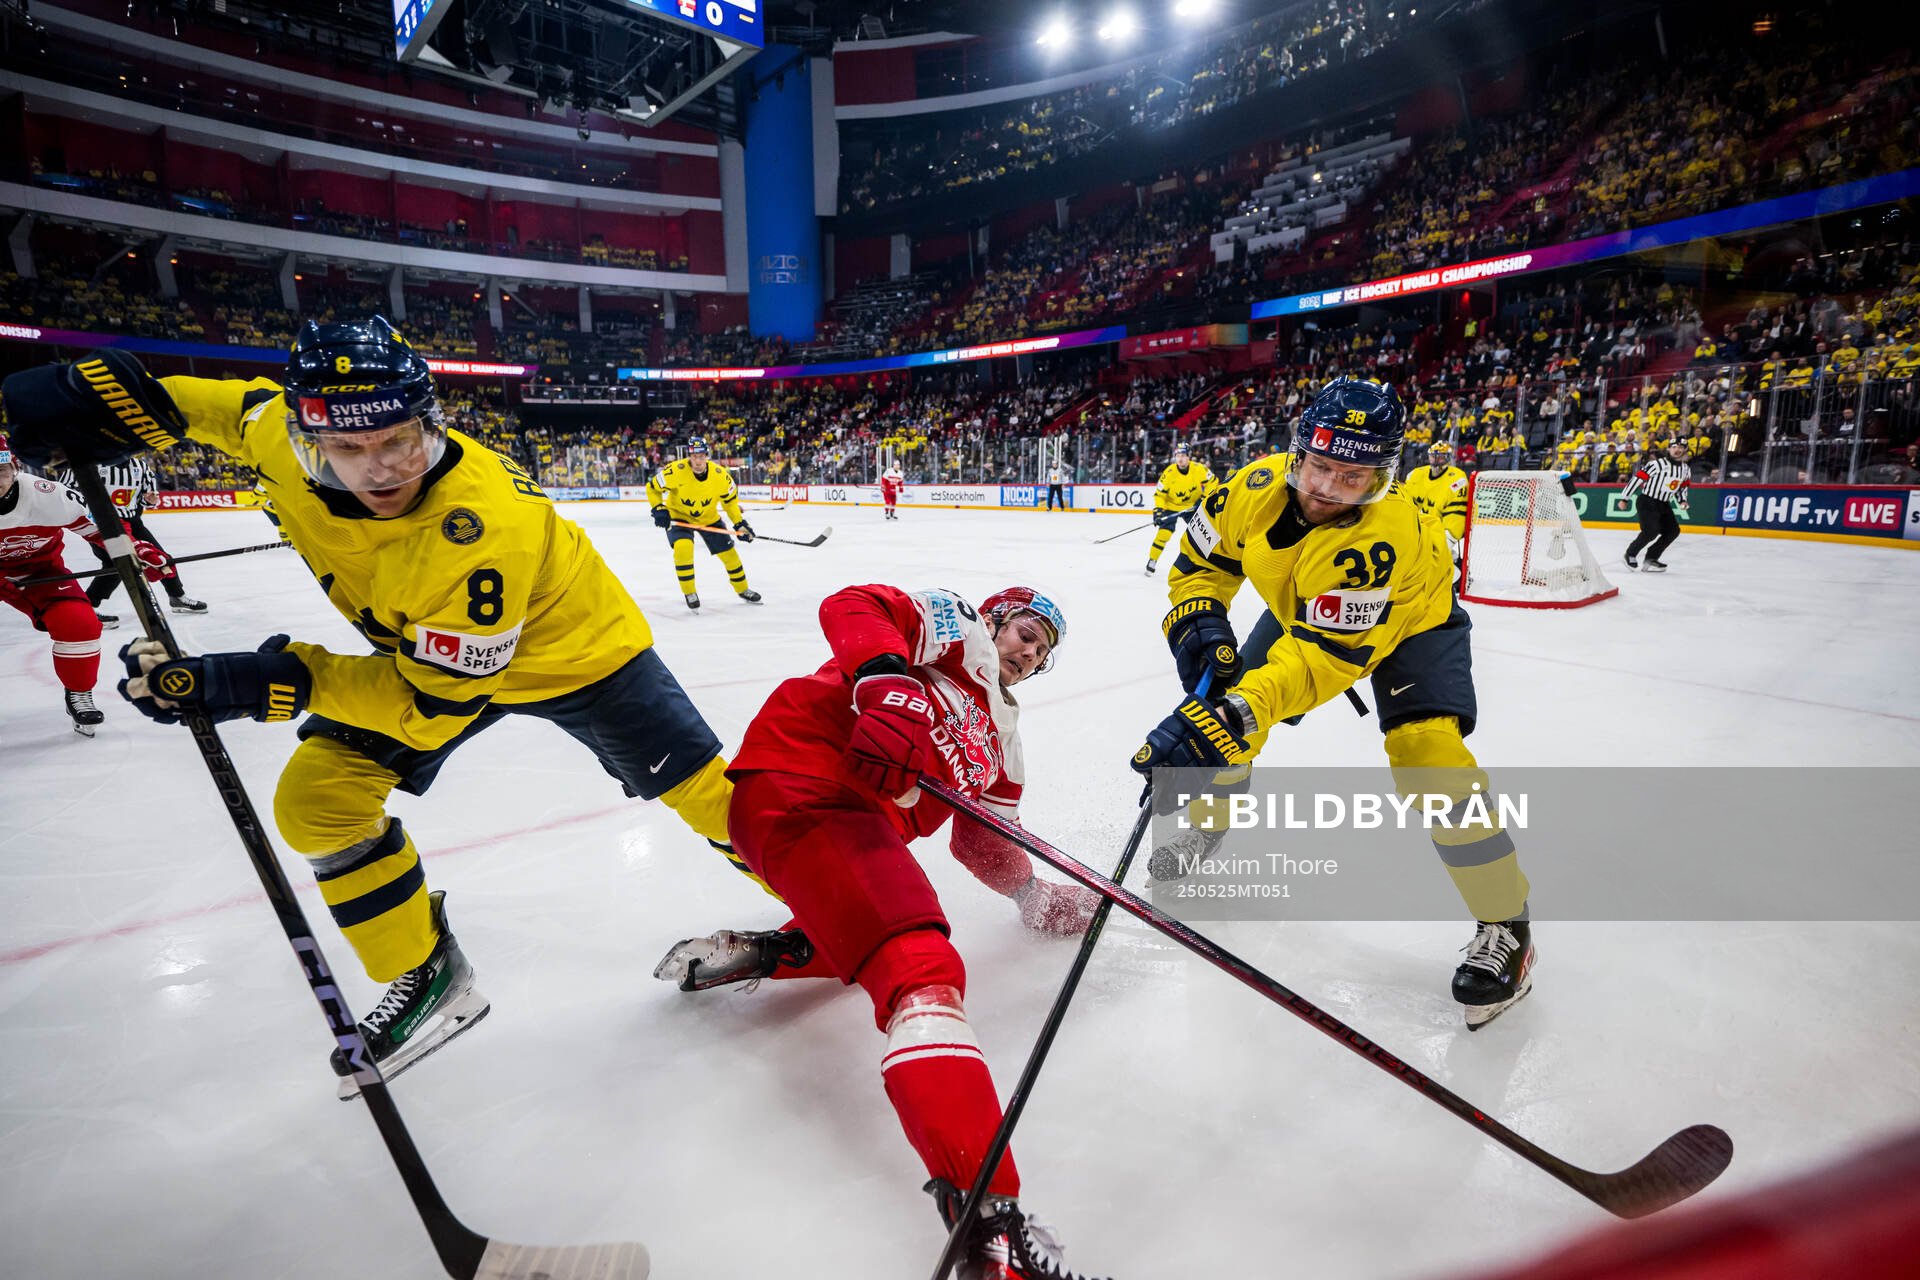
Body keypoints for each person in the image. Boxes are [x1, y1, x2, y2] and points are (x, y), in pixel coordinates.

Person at [1, 323, 744, 1087]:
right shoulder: (275, 433)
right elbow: (204, 407)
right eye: (345, 450)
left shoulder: (477, 536)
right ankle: (427, 973)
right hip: (427, 653)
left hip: (578, 657)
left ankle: (843, 906)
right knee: (318, 801)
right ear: (302, 432)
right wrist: (99, 396)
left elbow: (430, 710)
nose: (379, 469)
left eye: (399, 442)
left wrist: (255, 682)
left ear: (433, 423)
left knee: (713, 800)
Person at [652, 584, 1108, 1280]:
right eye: (1023, 630)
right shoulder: (958, 633)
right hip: (805, 779)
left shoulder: (1004, 744)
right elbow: (854, 605)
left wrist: (1033, 895)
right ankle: (989, 1231)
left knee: (886, 925)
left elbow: (982, 847)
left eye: (1040, 650)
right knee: (921, 969)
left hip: (847, 834)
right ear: (995, 618)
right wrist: (885, 680)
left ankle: (773, 951)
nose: (1026, 650)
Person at [1133, 377, 1536, 1030]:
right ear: (1296, 454)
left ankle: (1507, 925)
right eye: (1320, 466)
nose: (1326, 488)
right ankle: (1210, 822)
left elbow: (1323, 660)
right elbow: (1202, 561)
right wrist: (1198, 614)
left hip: (1413, 622)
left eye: (1352, 477)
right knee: (1230, 709)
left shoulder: (1381, 537)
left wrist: (1237, 712)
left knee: (1426, 757)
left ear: (1382, 475)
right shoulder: (1253, 488)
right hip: (1313, 615)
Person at [50, 454, 207, 626]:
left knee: (162, 557)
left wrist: (150, 500)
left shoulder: (141, 467)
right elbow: (63, 491)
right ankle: (88, 607)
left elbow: (148, 497)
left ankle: (177, 597)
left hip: (133, 521)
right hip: (102, 523)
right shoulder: (89, 463)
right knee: (116, 565)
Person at [645, 437, 760, 609]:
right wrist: (659, 507)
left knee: (729, 555)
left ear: (706, 455)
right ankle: (689, 592)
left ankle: (743, 589)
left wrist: (739, 523)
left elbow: (729, 503)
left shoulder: (721, 476)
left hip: (709, 518)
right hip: (679, 516)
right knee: (683, 548)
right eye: (694, 456)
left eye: (701, 455)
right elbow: (652, 488)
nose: (698, 460)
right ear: (689, 456)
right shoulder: (675, 471)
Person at [1144, 443, 1215, 577]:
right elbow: (1160, 495)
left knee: (1202, 533)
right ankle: (1153, 559)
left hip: (1192, 506)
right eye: (1177, 456)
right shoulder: (1169, 473)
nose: (1180, 459)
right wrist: (1158, 511)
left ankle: (1209, 562)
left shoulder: (1199, 469)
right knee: (1163, 534)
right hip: (1171, 507)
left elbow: (1213, 482)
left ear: (1189, 457)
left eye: (1183, 456)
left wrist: (1204, 498)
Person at [1621, 439, 1691, 572]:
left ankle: (1651, 559)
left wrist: (1682, 500)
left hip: (1664, 503)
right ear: (1669, 449)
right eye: (1674, 447)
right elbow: (1638, 479)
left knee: (1673, 531)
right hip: (1647, 500)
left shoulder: (1686, 469)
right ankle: (1630, 554)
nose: (1677, 449)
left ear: (1685, 450)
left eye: (1681, 447)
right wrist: (1625, 498)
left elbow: (1682, 487)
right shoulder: (1656, 464)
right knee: (1651, 531)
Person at [1398, 441, 1469, 564]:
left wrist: (1443, 545)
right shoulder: (1416, 475)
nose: (1436, 460)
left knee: (1435, 560)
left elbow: (1456, 519)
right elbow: (1403, 507)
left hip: (1440, 529)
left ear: (1448, 458)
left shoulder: (1458, 480)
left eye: (1440, 457)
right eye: (1433, 456)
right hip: (1418, 529)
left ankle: (1449, 562)